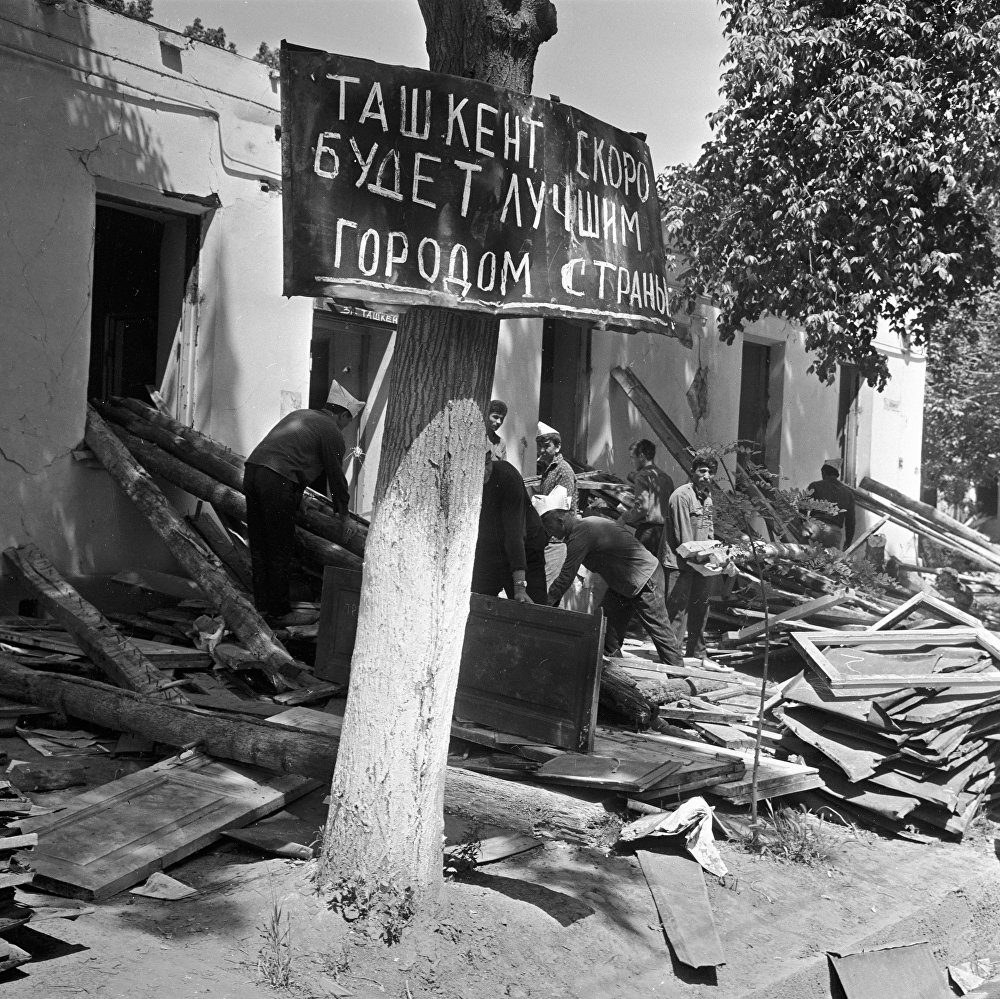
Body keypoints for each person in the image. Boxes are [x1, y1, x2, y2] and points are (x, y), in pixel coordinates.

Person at [244, 379, 364, 627]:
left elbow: (291, 459)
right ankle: (279, 613)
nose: (345, 427)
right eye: (348, 421)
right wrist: (344, 516)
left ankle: (263, 608)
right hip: (276, 480)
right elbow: (336, 478)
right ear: (342, 415)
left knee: (260, 545)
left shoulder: (301, 415)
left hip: (253, 471)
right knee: (279, 548)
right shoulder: (331, 431)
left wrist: (296, 499)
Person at [541, 508, 684, 667]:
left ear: (561, 521)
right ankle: (612, 666)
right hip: (626, 580)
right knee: (606, 623)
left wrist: (544, 605)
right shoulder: (588, 524)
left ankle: (680, 675)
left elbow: (566, 577)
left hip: (643, 576)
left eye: (551, 529)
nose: (552, 535)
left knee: (659, 629)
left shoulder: (581, 533)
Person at [663, 450, 720, 666]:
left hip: (701, 562)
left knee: (701, 608)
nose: (706, 476)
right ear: (693, 471)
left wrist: (716, 556)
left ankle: (698, 653)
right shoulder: (681, 496)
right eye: (702, 471)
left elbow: (709, 532)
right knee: (677, 611)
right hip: (681, 562)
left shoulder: (707, 499)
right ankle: (672, 657)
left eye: (710, 472)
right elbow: (684, 537)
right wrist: (701, 559)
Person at [472, 450, 547, 604]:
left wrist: (520, 587)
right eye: (479, 466)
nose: (484, 470)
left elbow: (515, 534)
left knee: (531, 609)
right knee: (477, 602)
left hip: (526, 549)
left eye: (487, 463)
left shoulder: (507, 476)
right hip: (492, 550)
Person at [533, 422, 578, 587]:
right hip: (547, 537)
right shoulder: (549, 470)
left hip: (557, 539)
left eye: (546, 446)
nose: (542, 451)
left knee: (550, 589)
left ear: (557, 446)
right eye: (539, 446)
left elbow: (560, 508)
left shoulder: (563, 470)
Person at [621, 438, 675, 558]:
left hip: (648, 533)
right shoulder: (666, 478)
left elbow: (641, 508)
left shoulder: (642, 476)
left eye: (632, 457)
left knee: (641, 571)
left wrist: (624, 517)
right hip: (664, 533)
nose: (631, 462)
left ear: (641, 456)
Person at [806, 458, 856, 548]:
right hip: (833, 533)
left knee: (806, 558)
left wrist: (803, 525)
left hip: (814, 528)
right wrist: (848, 542)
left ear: (824, 472)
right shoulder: (848, 493)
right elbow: (850, 522)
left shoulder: (815, 486)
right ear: (836, 475)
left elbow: (802, 507)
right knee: (830, 561)